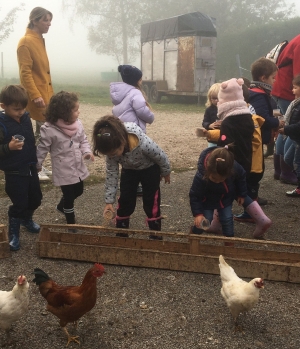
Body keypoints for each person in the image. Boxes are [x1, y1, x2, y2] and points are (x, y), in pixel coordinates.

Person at [92, 115, 171, 240]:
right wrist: (109, 201)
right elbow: (111, 174)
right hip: (129, 171)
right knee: (125, 200)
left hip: (149, 169)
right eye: (109, 154)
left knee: (151, 201)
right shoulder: (111, 151)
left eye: (114, 153)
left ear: (122, 141)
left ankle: (155, 233)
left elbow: (160, 155)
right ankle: (122, 231)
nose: (112, 156)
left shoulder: (143, 143)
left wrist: (166, 171)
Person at [36, 91, 94, 230]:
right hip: (63, 169)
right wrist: (38, 164)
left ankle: (61, 206)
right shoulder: (49, 130)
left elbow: (83, 140)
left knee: (79, 191)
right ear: (64, 112)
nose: (78, 112)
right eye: (75, 110)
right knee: (69, 197)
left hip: (77, 166)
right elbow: (42, 148)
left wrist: (86, 152)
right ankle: (71, 223)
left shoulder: (77, 124)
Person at [0, 85, 42, 251]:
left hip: (30, 166)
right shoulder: (1, 124)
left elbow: (31, 141)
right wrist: (8, 147)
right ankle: (14, 234)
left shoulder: (25, 118)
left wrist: (35, 161)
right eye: (16, 109)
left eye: (23, 108)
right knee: (19, 202)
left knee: (36, 198)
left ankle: (26, 219)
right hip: (14, 171)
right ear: (3, 106)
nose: (21, 112)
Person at [17, 7, 54, 181]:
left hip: (46, 94)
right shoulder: (26, 42)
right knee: (42, 132)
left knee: (43, 131)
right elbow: (26, 73)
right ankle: (34, 167)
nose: (49, 24)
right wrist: (35, 95)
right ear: (35, 21)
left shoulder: (39, 40)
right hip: (37, 96)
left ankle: (37, 165)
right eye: (45, 20)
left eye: (49, 20)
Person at [111, 64, 154, 195]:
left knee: (126, 156)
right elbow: (141, 110)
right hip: (135, 130)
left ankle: (128, 184)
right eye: (140, 79)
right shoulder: (135, 92)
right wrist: (150, 117)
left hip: (123, 130)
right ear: (136, 80)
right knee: (138, 156)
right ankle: (137, 184)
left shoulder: (119, 93)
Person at [189, 145, 247, 238]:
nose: (217, 181)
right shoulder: (201, 177)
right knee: (205, 221)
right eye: (214, 179)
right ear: (208, 171)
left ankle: (229, 243)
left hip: (225, 199)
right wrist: (198, 214)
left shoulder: (234, 167)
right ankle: (194, 234)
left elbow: (241, 177)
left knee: (227, 219)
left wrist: (241, 194)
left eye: (221, 179)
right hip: (207, 201)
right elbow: (195, 195)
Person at [271, 36, 300, 185]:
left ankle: (280, 170)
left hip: (281, 89)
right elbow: (298, 74)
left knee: (286, 127)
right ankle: (288, 170)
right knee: (292, 128)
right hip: (289, 90)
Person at [278, 74, 300, 197]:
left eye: (295, 87)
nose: (292, 90)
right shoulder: (295, 103)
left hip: (296, 137)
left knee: (297, 162)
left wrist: (285, 129)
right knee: (288, 159)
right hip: (295, 138)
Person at [202, 83, 222, 147]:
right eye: (213, 98)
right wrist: (209, 125)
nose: (216, 100)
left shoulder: (226, 109)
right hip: (212, 139)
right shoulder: (209, 110)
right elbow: (204, 122)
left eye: (218, 98)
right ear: (210, 98)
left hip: (223, 138)